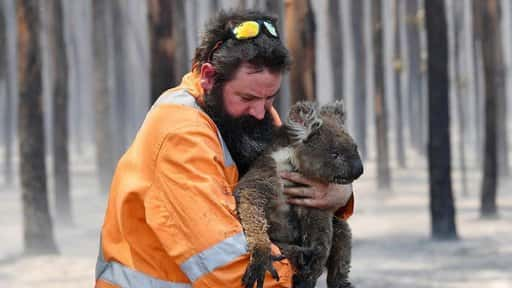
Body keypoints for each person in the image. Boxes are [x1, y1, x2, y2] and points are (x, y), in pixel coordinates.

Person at [95, 10, 354, 288]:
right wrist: (299, 279)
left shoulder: (251, 117)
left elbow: (304, 180)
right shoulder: (179, 136)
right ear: (209, 77)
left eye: (270, 97)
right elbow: (228, 268)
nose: (260, 111)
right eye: (247, 97)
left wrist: (341, 193)